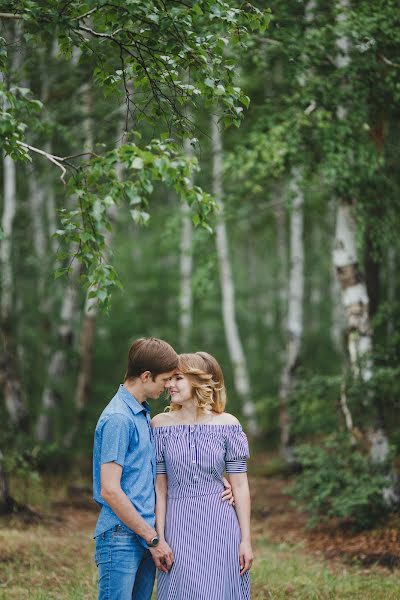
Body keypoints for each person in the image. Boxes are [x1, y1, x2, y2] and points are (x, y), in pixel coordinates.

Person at [92, 338, 233, 600]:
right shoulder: (119, 419)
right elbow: (110, 490)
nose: (169, 385)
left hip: (144, 535)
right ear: (146, 376)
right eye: (166, 378)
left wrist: (215, 479)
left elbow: (160, 469)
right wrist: (154, 539)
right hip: (122, 536)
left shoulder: (141, 414)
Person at [151, 351, 253, 600]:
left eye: (178, 378)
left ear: (199, 381)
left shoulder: (228, 424)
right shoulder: (159, 425)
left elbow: (240, 487)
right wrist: (160, 538)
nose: (169, 385)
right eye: (169, 379)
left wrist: (246, 541)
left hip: (220, 523)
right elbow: (160, 488)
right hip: (178, 523)